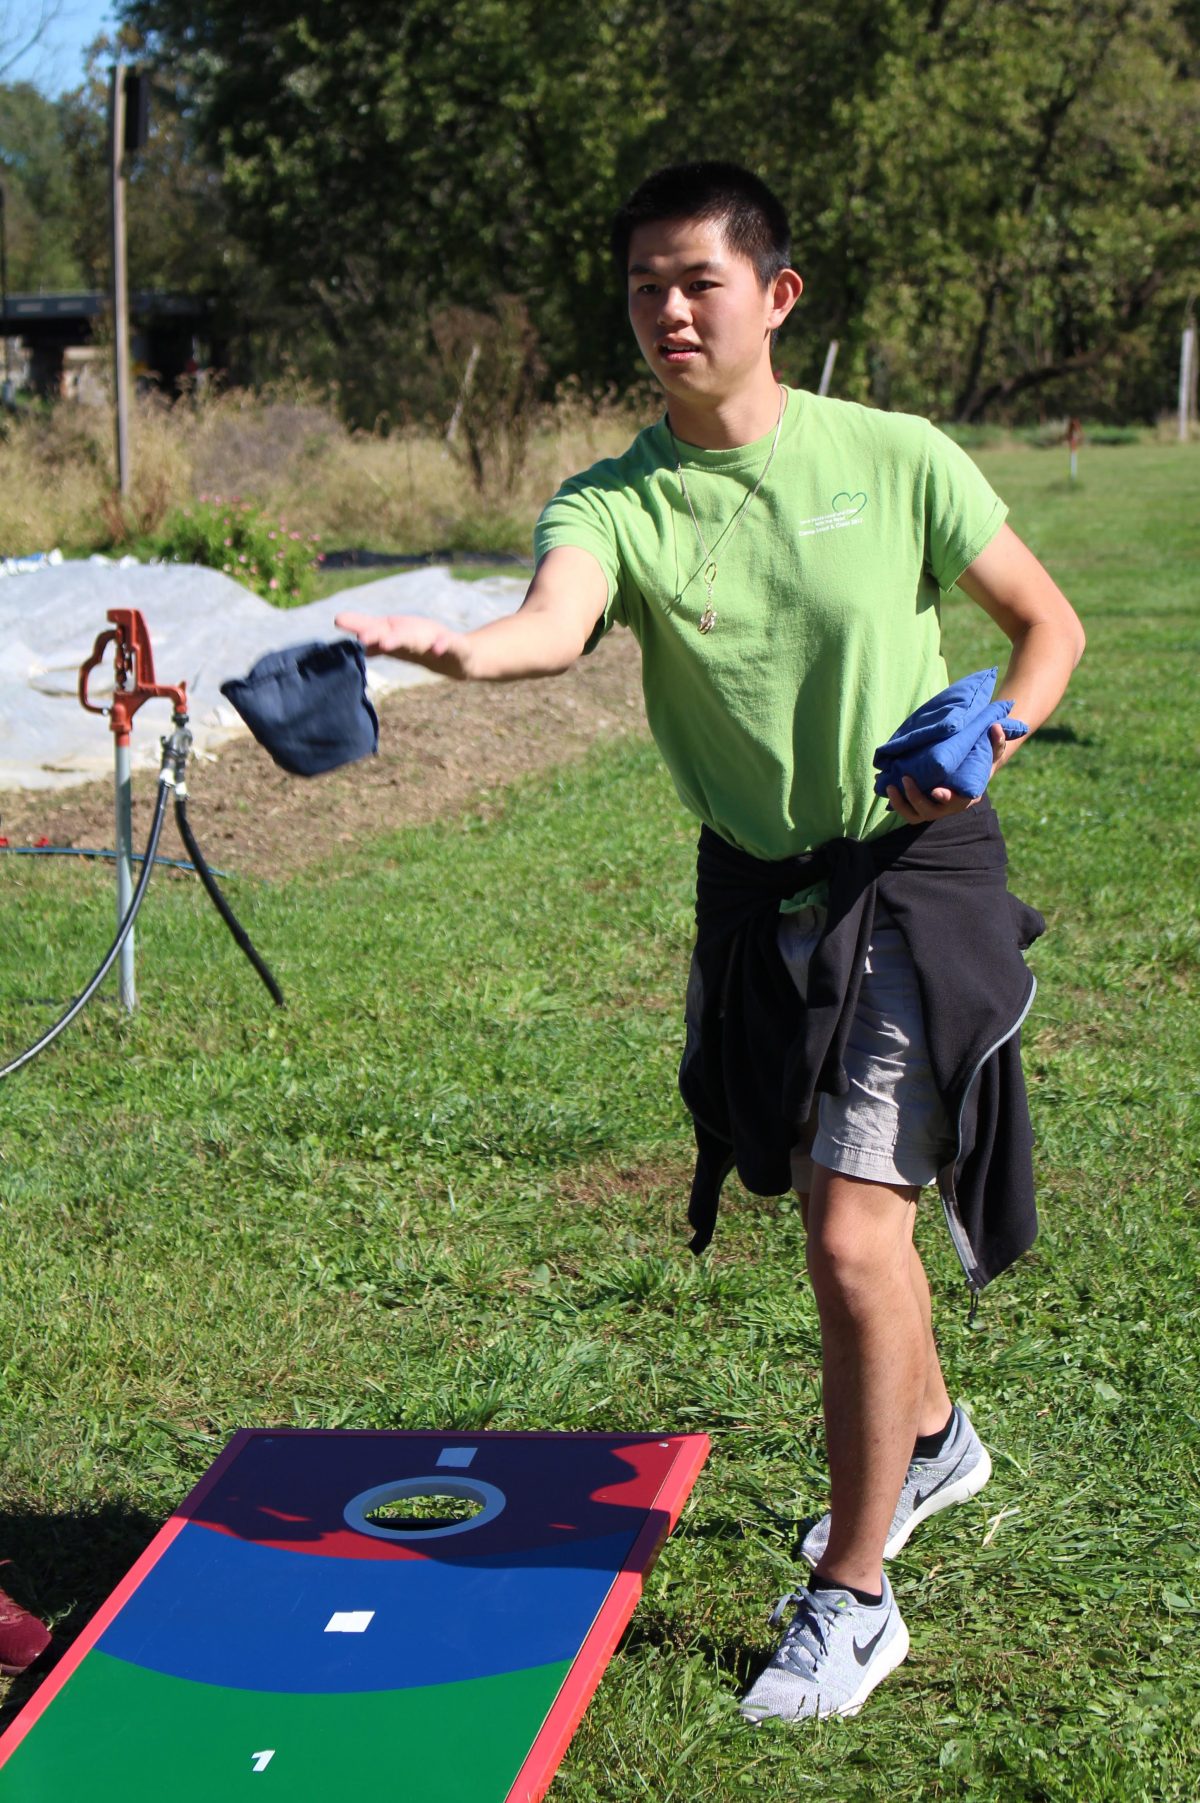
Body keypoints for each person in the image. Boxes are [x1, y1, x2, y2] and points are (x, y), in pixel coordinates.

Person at [336, 161, 1084, 1722]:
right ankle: (935, 1442)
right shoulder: (616, 497)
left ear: (775, 297)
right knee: (824, 1195)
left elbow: (1047, 623)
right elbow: (559, 615)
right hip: (759, 898)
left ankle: (855, 1596)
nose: (669, 311)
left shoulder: (893, 456)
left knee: (849, 1231)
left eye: (698, 281)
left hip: (912, 867)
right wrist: (465, 651)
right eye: (643, 289)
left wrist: (996, 726)